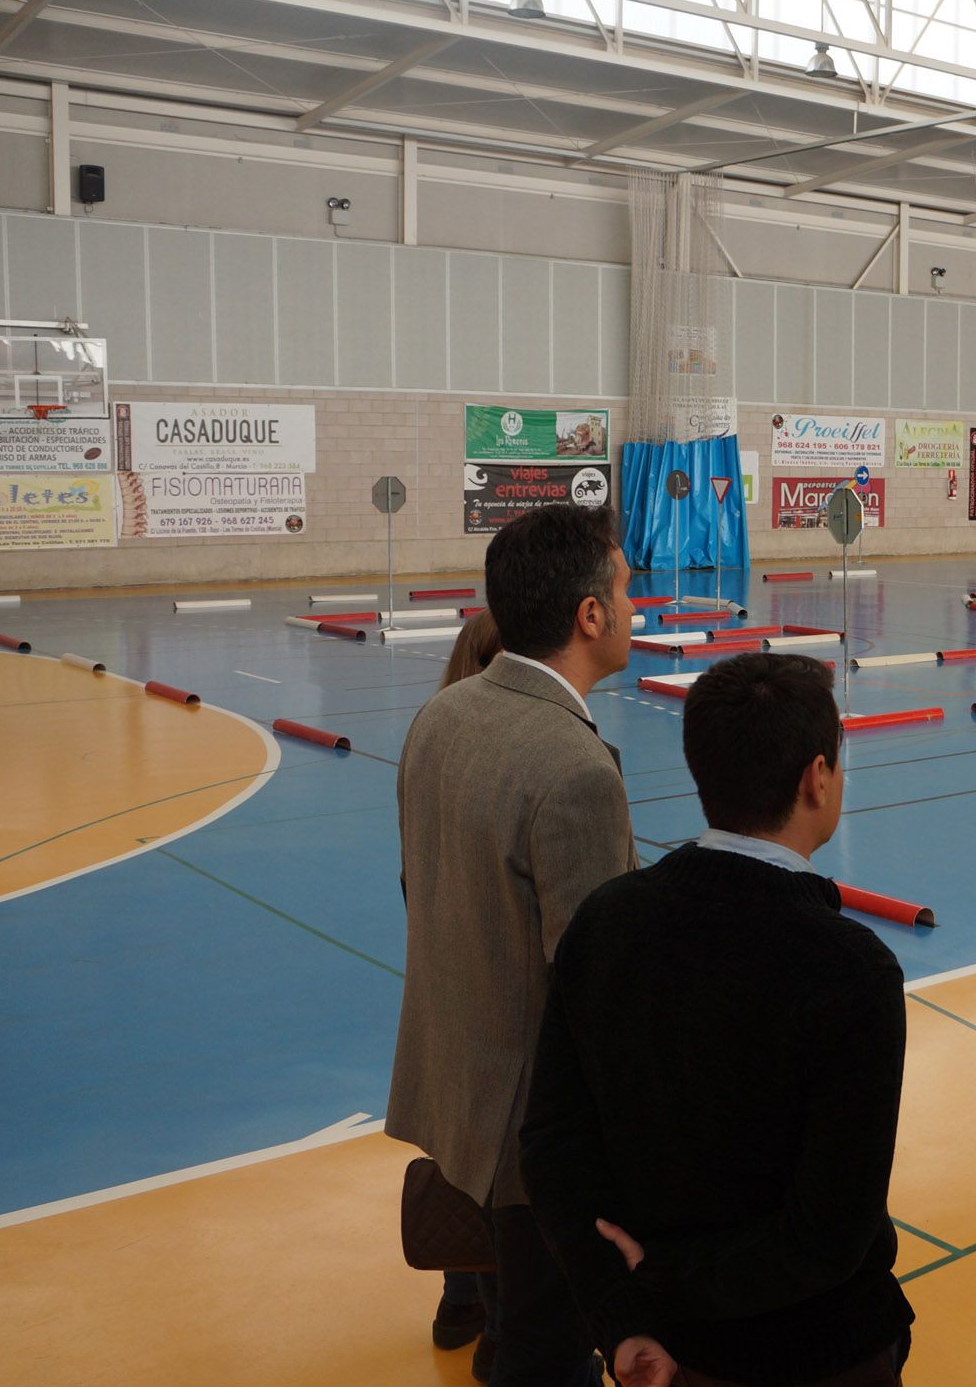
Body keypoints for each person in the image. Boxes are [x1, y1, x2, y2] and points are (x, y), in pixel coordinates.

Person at [523, 653, 914, 1387]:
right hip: (820, 1353)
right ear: (817, 777)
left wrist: (623, 1315)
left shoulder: (604, 922)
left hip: (663, 1352)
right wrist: (666, 1280)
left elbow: (552, 1147)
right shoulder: (852, 970)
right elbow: (828, 1235)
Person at [390, 503, 637, 1387]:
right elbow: (595, 988)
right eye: (625, 589)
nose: (633, 607)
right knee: (548, 1354)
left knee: (505, 1327)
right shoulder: (574, 767)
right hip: (533, 1143)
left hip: (452, 1091)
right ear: (590, 615)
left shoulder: (442, 716)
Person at [421, 605, 505, 1362]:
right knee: (511, 1169)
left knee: (460, 1150)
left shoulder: (432, 743)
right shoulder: (535, 756)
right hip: (503, 996)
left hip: (447, 986)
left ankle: (459, 1300)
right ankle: (501, 1325)